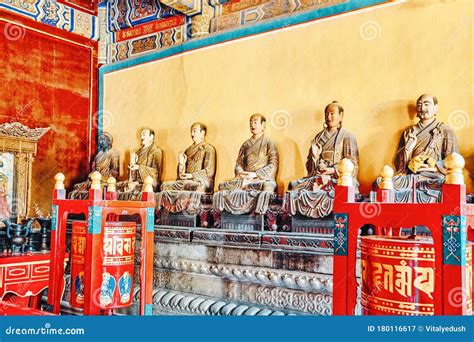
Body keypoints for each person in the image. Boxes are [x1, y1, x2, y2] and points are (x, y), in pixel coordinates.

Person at [374, 94, 459, 203]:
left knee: (445, 184)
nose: (422, 108)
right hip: (410, 177)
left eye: (426, 104)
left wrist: (433, 167)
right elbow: (399, 166)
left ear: (435, 108)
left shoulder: (446, 131)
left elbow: (453, 161)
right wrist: (408, 149)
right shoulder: (408, 132)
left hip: (432, 178)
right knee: (379, 182)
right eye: (419, 105)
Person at [284, 101, 359, 218]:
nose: (329, 117)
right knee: (293, 185)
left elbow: (353, 165)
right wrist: (314, 157)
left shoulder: (347, 136)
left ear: (341, 115)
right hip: (318, 177)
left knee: (345, 187)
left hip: (337, 179)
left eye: (332, 114)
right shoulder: (318, 138)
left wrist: (332, 170)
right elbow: (310, 169)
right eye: (326, 114)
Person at [213, 114, 279, 214]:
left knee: (268, 186)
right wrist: (241, 173)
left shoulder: (269, 142)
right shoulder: (246, 144)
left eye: (255, 122)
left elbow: (273, 165)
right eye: (251, 122)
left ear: (263, 125)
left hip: (259, 179)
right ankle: (245, 185)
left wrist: (255, 174)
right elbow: (238, 164)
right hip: (244, 179)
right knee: (222, 186)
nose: (253, 124)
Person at [158, 122, 216, 213]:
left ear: (203, 133)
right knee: (165, 185)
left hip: (199, 181)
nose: (192, 134)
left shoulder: (208, 149)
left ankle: (189, 210)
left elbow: (209, 171)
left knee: (193, 186)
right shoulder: (188, 150)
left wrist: (192, 176)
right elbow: (180, 175)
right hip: (185, 181)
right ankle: (166, 210)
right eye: (191, 131)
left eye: (194, 131)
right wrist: (181, 165)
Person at [69, 132, 119, 198]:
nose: (101, 141)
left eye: (103, 139)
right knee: (77, 186)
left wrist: (101, 176)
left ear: (109, 141)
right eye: (100, 139)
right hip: (94, 180)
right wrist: (92, 175)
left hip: (105, 181)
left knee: (98, 187)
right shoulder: (99, 154)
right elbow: (94, 170)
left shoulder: (113, 154)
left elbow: (115, 173)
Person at [117, 128, 162, 196]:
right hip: (136, 181)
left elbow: (155, 173)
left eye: (144, 135)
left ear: (151, 137)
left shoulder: (156, 151)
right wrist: (132, 164)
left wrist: (139, 167)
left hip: (149, 183)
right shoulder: (137, 152)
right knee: (117, 186)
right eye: (141, 135)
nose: (141, 137)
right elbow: (132, 176)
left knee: (133, 189)